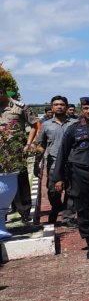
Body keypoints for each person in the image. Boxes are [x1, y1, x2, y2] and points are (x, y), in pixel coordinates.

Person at [51, 97, 89, 258]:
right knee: (84, 209)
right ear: (82, 110)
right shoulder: (74, 129)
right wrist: (58, 178)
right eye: (86, 108)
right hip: (80, 174)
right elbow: (63, 153)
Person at [0, 85, 39, 223]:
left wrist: (29, 143)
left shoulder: (20, 107)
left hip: (15, 149)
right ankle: (2, 214)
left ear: (2, 92)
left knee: (20, 179)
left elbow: (34, 124)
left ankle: (24, 212)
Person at [36, 96, 77, 224]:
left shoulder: (75, 124)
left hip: (72, 164)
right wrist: (37, 162)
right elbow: (41, 145)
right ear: (52, 107)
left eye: (62, 104)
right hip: (53, 164)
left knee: (71, 191)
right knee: (53, 191)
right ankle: (56, 207)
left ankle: (67, 217)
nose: (59, 106)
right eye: (56, 104)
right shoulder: (46, 125)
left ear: (66, 106)